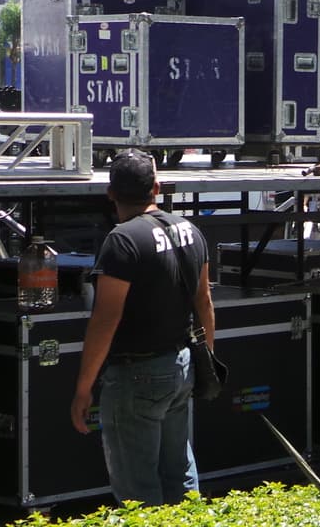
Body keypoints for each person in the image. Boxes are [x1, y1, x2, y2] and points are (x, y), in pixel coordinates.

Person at [70, 149, 215, 505]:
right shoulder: (188, 230)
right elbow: (204, 301)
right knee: (180, 474)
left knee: (138, 492)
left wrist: (83, 389)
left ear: (111, 194)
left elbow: (105, 320)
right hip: (181, 366)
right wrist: (206, 360)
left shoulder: (122, 241)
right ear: (157, 188)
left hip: (137, 375)